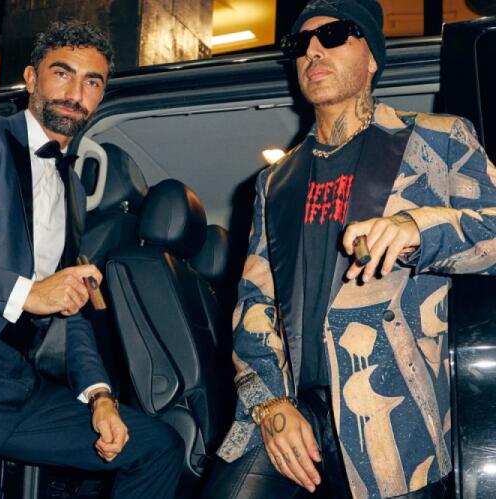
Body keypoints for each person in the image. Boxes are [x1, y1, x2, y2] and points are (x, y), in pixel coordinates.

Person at [201, 0, 496, 498]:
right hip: (296, 409)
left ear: (372, 57)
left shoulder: (438, 138)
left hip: (391, 414)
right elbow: (255, 302)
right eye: (300, 43)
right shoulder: (275, 181)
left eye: (334, 35)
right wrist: (269, 405)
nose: (313, 50)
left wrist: (419, 228)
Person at [0, 19, 183, 499]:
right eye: (62, 74)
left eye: (92, 82)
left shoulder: (73, 188)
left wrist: (100, 396)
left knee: (157, 447)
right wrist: (24, 292)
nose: (76, 93)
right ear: (31, 78)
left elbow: (71, 305)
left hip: (19, 383)